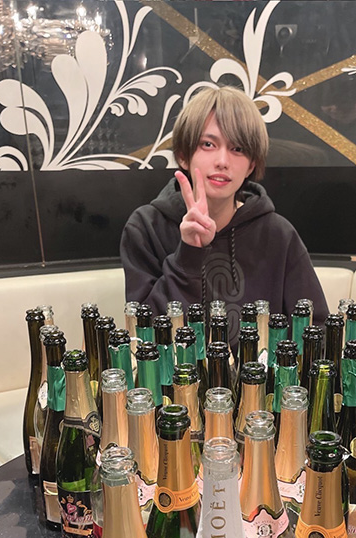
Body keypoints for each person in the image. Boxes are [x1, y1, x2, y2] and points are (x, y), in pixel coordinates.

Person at [120, 86, 328, 348]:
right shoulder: (146, 227)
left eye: (237, 148)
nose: (222, 161)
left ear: (251, 165)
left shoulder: (278, 234)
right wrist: (188, 255)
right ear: (183, 155)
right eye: (208, 144)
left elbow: (316, 330)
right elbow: (143, 337)